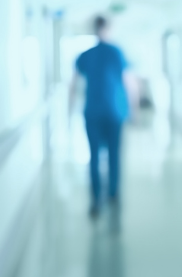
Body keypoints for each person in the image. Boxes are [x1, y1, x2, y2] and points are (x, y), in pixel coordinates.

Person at [70, 15, 133, 217]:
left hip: (93, 112)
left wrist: (68, 109)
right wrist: (135, 111)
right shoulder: (117, 52)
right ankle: (113, 194)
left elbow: (74, 85)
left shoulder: (85, 55)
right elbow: (129, 82)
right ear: (108, 29)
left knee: (94, 157)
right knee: (114, 155)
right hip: (115, 111)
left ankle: (97, 200)